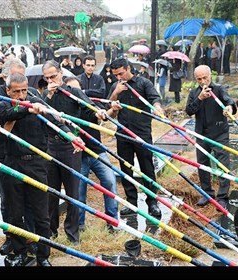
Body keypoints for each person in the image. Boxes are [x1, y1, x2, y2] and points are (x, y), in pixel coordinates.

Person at [0, 72, 63, 266]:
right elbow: (1, 132)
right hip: (13, 163)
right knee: (15, 214)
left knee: (42, 215)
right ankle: (20, 252)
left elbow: (56, 126)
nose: (21, 95)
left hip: (37, 164)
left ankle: (43, 256)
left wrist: (67, 131)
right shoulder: (3, 106)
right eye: (16, 91)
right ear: (8, 90)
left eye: (24, 90)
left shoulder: (37, 104)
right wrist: (23, 110)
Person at [42, 60, 107, 245]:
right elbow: (44, 115)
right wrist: (49, 95)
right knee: (51, 193)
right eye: (46, 78)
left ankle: (72, 232)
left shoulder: (74, 92)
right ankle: (51, 232)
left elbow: (90, 108)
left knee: (73, 192)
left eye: (53, 76)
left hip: (71, 147)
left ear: (61, 73)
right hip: (51, 147)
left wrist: (100, 113)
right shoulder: (46, 95)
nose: (50, 81)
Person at [107, 58, 164, 218]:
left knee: (147, 168)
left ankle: (152, 202)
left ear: (128, 68)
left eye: (121, 73)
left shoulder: (143, 83)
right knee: (126, 169)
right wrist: (115, 94)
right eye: (115, 75)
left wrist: (157, 107)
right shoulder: (116, 86)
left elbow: (155, 98)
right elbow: (107, 107)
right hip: (123, 134)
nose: (119, 77)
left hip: (142, 134)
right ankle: (131, 202)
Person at [64, 76, 118, 233]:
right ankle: (80, 225)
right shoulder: (65, 108)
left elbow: (101, 113)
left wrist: (110, 110)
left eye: (77, 89)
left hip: (97, 151)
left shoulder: (89, 104)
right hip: (77, 155)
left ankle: (112, 223)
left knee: (109, 182)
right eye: (70, 89)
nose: (74, 92)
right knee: (79, 191)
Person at [185, 65, 237, 209]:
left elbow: (229, 101)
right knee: (202, 164)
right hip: (201, 133)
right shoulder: (194, 93)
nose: (203, 81)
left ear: (210, 76)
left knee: (222, 164)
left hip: (219, 132)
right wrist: (199, 99)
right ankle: (207, 193)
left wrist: (229, 108)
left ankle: (222, 196)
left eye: (205, 78)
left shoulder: (219, 89)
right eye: (199, 79)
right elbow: (189, 110)